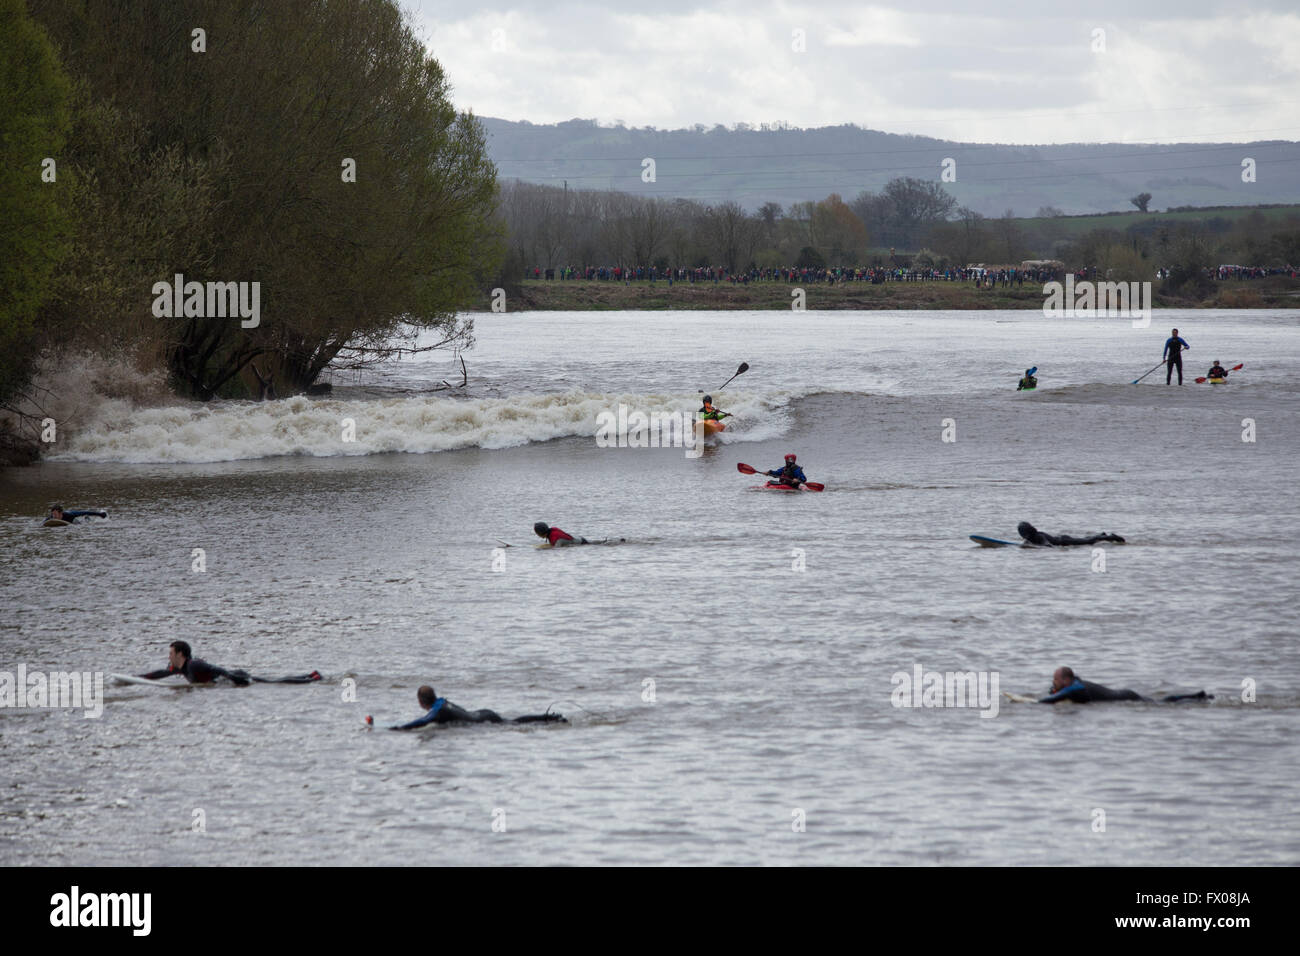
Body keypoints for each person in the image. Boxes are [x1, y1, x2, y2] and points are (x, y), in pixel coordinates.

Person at [139, 640, 321, 685]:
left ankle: (312, 679)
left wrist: (235, 679)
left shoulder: (193, 665)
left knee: (274, 682)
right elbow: (159, 674)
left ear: (180, 654)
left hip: (237, 676)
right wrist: (132, 678)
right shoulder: (180, 668)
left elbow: (218, 669)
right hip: (231, 679)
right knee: (272, 681)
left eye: (171, 653)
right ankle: (310, 675)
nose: (168, 657)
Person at [390, 685, 566, 729]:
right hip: (483, 713)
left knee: (514, 726)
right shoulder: (442, 702)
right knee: (512, 722)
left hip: (484, 721)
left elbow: (421, 722)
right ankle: (547, 717)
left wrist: (398, 728)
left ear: (421, 701)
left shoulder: (437, 711)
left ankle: (547, 719)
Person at [1039, 666, 1211, 704]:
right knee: (1161, 702)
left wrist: (1038, 703)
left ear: (1066, 680)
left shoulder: (1077, 687)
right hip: (1124, 695)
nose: (1052, 682)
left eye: (1055, 680)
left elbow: (1067, 693)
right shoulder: (1072, 686)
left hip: (1126, 697)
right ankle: (1198, 696)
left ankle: (1196, 697)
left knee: (1163, 704)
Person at [1017, 521, 1124, 546]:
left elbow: (1048, 545)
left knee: (1088, 542)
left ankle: (1111, 537)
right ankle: (1101, 535)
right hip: (1063, 540)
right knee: (1085, 539)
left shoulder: (1038, 536)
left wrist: (1037, 548)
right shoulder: (1031, 538)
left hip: (1064, 541)